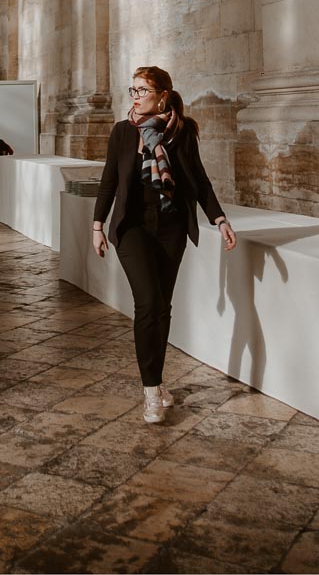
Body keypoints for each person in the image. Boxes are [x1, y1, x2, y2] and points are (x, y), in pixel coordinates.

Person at [92, 66, 237, 421]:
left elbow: (198, 180)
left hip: (171, 228)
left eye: (142, 90)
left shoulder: (181, 134)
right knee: (148, 302)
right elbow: (109, 179)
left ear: (162, 97)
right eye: (134, 90)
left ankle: (157, 382)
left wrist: (218, 218)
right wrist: (97, 226)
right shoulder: (122, 132)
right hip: (133, 229)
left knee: (163, 307)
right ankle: (151, 389)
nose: (136, 96)